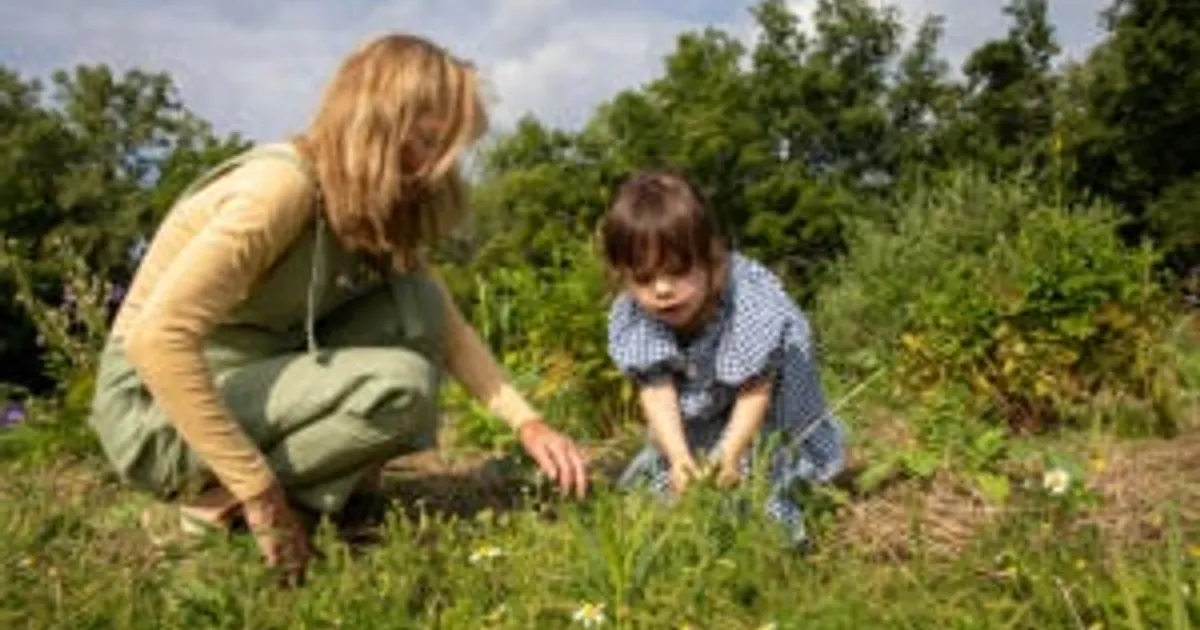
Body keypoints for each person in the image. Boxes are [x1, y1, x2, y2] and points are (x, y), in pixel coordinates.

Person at [86, 33, 589, 583]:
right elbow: (156, 340)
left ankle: (314, 503)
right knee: (399, 384)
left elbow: (442, 321)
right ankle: (219, 511)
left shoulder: (368, 205)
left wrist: (529, 424)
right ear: (375, 125)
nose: (439, 169)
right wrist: (256, 489)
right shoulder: (278, 189)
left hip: (251, 373)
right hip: (153, 412)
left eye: (450, 148)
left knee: (416, 302)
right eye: (426, 141)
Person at [599, 168, 846, 545]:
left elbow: (756, 386)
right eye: (644, 279)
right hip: (708, 398)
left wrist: (730, 454)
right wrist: (680, 457)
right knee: (660, 489)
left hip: (768, 402)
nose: (662, 289)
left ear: (710, 258)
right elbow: (656, 387)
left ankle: (778, 517)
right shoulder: (636, 314)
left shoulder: (748, 300)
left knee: (757, 478)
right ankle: (698, 478)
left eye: (678, 272)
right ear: (623, 276)